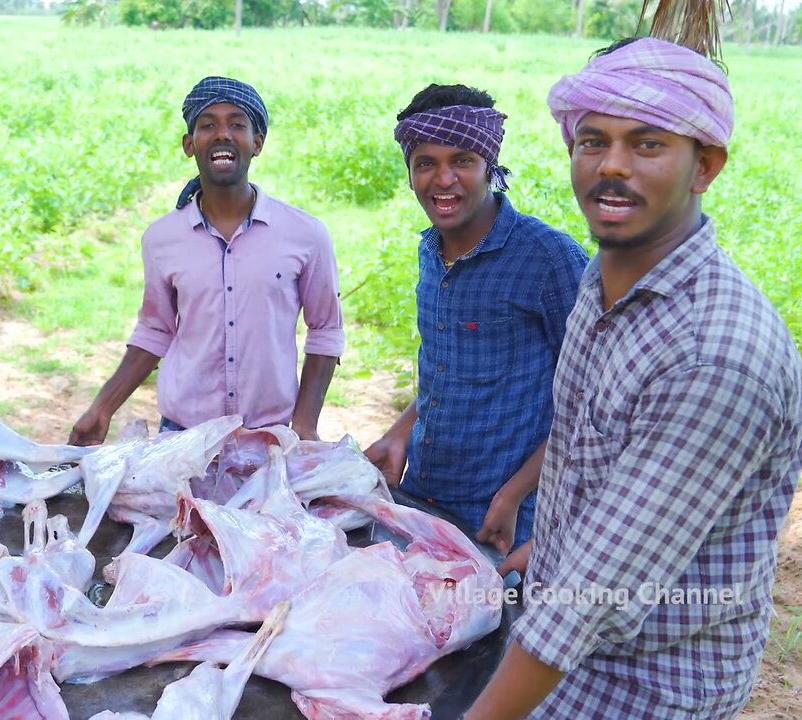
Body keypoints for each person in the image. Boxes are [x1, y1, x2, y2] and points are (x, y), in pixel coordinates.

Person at [464, 37, 802, 719]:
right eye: (592, 141)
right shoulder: (607, 276)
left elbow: (588, 603)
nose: (610, 166)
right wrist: (548, 544)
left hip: (642, 689)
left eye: (647, 145)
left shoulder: (715, 355)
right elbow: (590, 443)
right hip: (570, 640)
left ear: (704, 165)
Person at [363, 84, 588, 554]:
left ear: (490, 166)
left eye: (462, 161)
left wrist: (513, 495)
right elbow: (445, 371)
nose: (443, 180)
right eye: (426, 163)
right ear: (408, 173)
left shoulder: (549, 260)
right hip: (426, 500)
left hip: (508, 523)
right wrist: (399, 433)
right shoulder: (430, 250)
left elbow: (591, 403)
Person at [69, 76, 345, 445]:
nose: (222, 134)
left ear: (257, 143)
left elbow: (325, 330)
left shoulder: (305, 235)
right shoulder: (162, 239)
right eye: (207, 125)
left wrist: (305, 425)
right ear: (189, 144)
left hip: (268, 437)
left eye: (236, 124)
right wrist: (102, 409)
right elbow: (156, 330)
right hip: (182, 436)